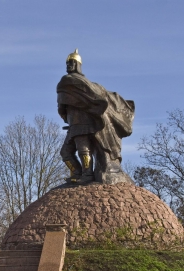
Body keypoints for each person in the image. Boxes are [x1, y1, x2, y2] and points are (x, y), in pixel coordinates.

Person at [57, 49, 135, 184]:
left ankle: (87, 175)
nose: (68, 65)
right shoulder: (68, 82)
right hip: (73, 123)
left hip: (84, 123)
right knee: (66, 152)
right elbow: (63, 105)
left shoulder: (74, 82)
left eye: (71, 62)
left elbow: (96, 96)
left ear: (77, 65)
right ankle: (77, 173)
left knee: (83, 149)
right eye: (67, 63)